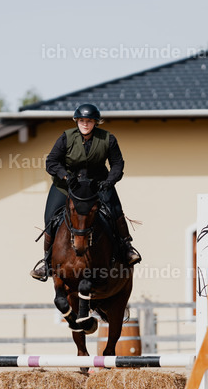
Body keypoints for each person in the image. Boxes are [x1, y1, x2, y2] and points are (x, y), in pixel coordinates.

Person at [30, 103, 141, 281]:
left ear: (96, 122)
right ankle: (47, 262)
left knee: (115, 210)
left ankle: (127, 248)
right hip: (66, 186)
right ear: (77, 121)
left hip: (97, 185)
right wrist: (65, 176)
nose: (85, 124)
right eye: (81, 120)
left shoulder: (108, 139)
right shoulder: (66, 137)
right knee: (51, 217)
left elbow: (117, 164)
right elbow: (51, 161)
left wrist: (109, 181)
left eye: (89, 121)